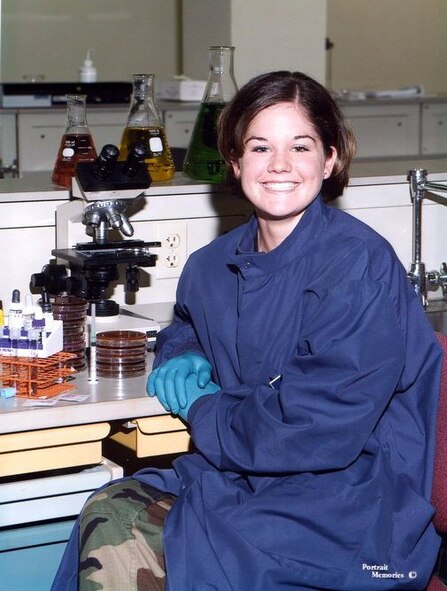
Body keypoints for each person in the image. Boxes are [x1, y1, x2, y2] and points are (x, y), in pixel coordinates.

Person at [52, 71, 442, 591]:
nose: (279, 165)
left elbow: (313, 430)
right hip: (248, 476)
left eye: (300, 146)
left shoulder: (358, 266)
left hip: (347, 509)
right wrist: (186, 352)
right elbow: (189, 322)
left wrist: (202, 407)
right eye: (260, 147)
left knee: (142, 539)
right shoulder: (212, 264)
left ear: (330, 159)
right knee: (108, 506)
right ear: (236, 162)